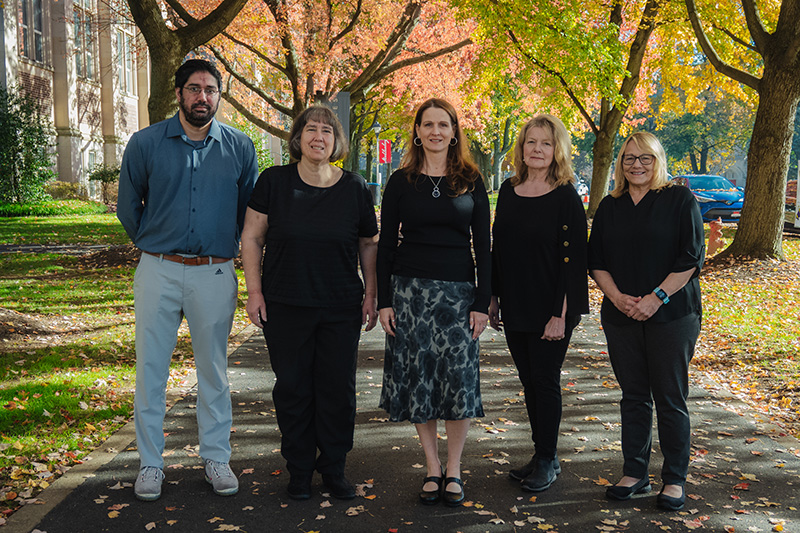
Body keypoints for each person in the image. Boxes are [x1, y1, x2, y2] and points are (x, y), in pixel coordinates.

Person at [117, 59, 258, 501]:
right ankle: (151, 465)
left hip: (214, 272)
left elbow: (249, 215)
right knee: (151, 370)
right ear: (179, 93)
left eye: (211, 90)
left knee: (213, 371)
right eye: (194, 88)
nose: (203, 97)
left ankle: (216, 458)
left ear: (220, 95)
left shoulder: (239, 146)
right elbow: (127, 206)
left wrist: (225, 248)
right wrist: (153, 241)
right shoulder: (145, 143)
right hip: (157, 268)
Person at [240, 106, 378, 501]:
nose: (319, 137)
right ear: (298, 137)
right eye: (311, 130)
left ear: (337, 141)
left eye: (327, 131)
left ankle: (333, 468)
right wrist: (254, 292)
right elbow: (252, 237)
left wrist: (371, 293)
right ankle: (299, 469)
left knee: (337, 390)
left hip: (340, 306)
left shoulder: (354, 188)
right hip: (285, 303)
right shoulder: (274, 182)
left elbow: (368, 243)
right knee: (293, 389)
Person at [377, 98, 490, 507]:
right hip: (409, 295)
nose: (436, 131)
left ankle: (455, 469)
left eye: (444, 124)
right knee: (419, 381)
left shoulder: (472, 181)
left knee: (457, 383)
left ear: (455, 131)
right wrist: (385, 301)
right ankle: (431, 467)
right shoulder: (400, 182)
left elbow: (485, 247)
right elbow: (386, 245)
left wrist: (482, 301)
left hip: (459, 295)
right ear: (418, 131)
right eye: (428, 124)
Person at [588, 132, 704, 511]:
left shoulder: (678, 199)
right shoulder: (610, 205)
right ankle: (635, 472)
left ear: (658, 160)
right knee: (634, 396)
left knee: (670, 398)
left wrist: (656, 298)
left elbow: (690, 257)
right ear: (620, 164)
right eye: (629, 158)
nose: (636, 165)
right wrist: (617, 297)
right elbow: (596, 261)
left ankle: (674, 478)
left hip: (671, 314)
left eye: (645, 158)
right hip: (621, 315)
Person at [488, 114, 589, 492]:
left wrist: (560, 315)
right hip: (516, 303)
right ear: (522, 147)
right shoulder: (509, 190)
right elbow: (499, 249)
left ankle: (547, 458)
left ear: (557, 149)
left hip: (552, 309)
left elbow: (574, 259)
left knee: (545, 381)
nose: (537, 149)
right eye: (531, 142)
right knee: (529, 381)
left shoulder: (565, 196)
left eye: (545, 143)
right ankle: (541, 452)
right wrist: (493, 297)